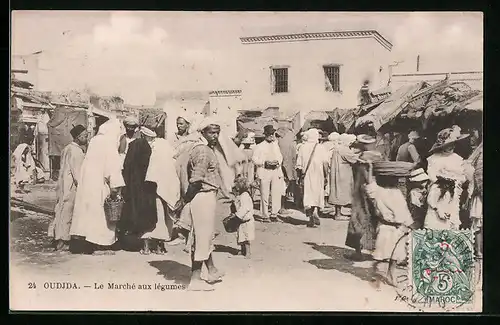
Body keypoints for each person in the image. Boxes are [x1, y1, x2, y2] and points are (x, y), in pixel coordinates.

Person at [69, 119, 125, 255]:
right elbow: (113, 168)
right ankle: (101, 245)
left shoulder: (94, 141)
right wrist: (115, 188)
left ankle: (87, 243)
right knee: (100, 216)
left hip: (88, 183)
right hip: (100, 184)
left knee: (88, 213)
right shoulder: (109, 144)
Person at [183, 119, 225, 291]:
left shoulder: (205, 148)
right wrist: (186, 200)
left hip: (205, 196)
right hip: (202, 196)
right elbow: (196, 179)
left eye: (217, 132)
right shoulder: (203, 151)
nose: (215, 136)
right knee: (201, 238)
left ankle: (212, 270)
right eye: (211, 132)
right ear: (202, 133)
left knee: (204, 236)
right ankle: (195, 279)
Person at [364, 163, 414, 286]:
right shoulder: (396, 193)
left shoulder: (378, 191)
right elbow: (403, 213)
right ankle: (387, 276)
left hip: (385, 227)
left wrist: (370, 169)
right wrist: (410, 224)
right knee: (393, 256)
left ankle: (380, 274)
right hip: (395, 227)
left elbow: (370, 185)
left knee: (384, 254)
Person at [119, 126, 165, 254]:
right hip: (149, 185)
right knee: (151, 213)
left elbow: (127, 164)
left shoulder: (135, 145)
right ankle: (157, 246)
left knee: (137, 212)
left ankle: (144, 246)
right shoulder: (156, 148)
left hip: (135, 184)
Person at [48, 125, 87, 251]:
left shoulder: (67, 149)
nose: (86, 138)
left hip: (63, 185)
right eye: (85, 136)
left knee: (60, 211)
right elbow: (78, 173)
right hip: (71, 188)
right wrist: (83, 188)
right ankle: (63, 242)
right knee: (67, 214)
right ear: (78, 137)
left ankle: (58, 239)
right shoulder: (76, 152)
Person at [345, 134, 383, 261]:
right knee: (375, 219)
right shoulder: (379, 156)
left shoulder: (363, 158)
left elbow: (365, 176)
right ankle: (376, 250)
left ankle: (358, 252)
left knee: (358, 219)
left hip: (362, 191)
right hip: (377, 190)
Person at [296, 128, 329, 227]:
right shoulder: (321, 148)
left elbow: (298, 165)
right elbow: (325, 163)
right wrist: (326, 175)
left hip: (306, 175)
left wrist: (299, 176)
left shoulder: (302, 147)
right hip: (318, 174)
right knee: (317, 193)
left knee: (308, 193)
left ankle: (310, 215)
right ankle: (315, 211)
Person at [252, 125, 284, 223]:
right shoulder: (260, 146)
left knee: (276, 193)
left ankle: (274, 214)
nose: (271, 136)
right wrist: (264, 162)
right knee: (264, 193)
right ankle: (265, 215)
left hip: (275, 171)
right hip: (264, 171)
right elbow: (254, 159)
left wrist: (277, 162)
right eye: (269, 134)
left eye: (272, 134)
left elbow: (280, 157)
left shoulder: (276, 145)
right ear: (265, 134)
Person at [328, 133, 358, 220]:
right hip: (343, 174)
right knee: (342, 192)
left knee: (337, 192)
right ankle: (338, 215)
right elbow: (353, 159)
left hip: (336, 172)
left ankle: (338, 212)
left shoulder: (337, 148)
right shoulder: (344, 149)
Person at [231, 176, 255, 258]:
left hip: (246, 220)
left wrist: (237, 215)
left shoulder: (245, 196)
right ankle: (242, 250)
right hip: (241, 220)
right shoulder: (240, 196)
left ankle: (248, 252)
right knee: (241, 236)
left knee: (246, 237)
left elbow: (244, 208)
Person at [467, 142, 483, 259]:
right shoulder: (479, 157)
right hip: (479, 194)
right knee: (478, 222)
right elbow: (477, 175)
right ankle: (478, 250)